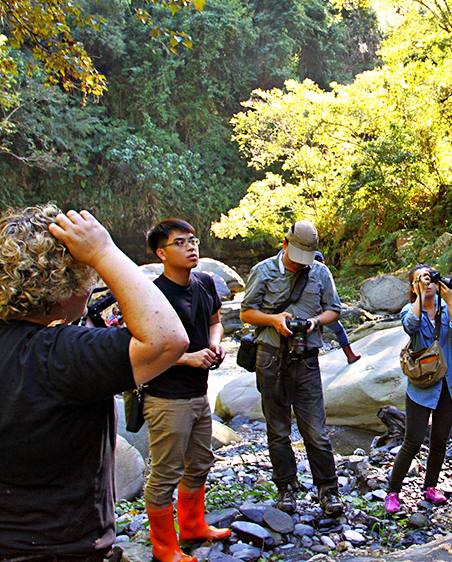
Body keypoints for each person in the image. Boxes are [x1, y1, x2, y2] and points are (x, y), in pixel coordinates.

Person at [0, 204, 189, 560]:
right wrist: (103, 252)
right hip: (59, 549)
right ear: (63, 282)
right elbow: (167, 339)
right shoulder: (57, 354)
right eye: (85, 274)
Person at [240, 220, 344, 516]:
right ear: (284, 244)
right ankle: (286, 488)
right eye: (295, 256)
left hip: (307, 357)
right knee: (278, 430)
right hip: (271, 357)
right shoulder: (263, 271)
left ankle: (328, 490)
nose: (300, 265)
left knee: (316, 430)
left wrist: (315, 322)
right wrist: (274, 320)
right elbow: (246, 312)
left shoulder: (320, 272)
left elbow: (334, 310)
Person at [143, 219, 231, 562]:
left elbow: (215, 321)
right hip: (166, 397)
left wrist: (214, 345)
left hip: (199, 393)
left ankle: (193, 527)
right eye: (180, 243)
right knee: (165, 472)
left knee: (199, 464)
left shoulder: (206, 282)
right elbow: (141, 347)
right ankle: (164, 546)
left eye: (193, 241)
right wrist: (187, 358)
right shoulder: (153, 294)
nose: (191, 247)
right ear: (161, 253)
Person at [384, 264, 452, 513]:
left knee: (440, 441)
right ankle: (393, 491)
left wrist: (451, 300)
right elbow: (410, 326)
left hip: (449, 384)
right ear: (413, 287)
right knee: (411, 441)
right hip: (421, 385)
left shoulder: (448, 307)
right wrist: (421, 296)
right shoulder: (410, 309)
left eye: (431, 277)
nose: (429, 282)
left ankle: (430, 488)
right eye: (422, 279)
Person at [314, 251, 360, 363]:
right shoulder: (323, 272)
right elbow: (330, 297)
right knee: (339, 331)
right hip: (325, 313)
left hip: (310, 312)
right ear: (323, 262)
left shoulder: (303, 273)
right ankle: (350, 356)